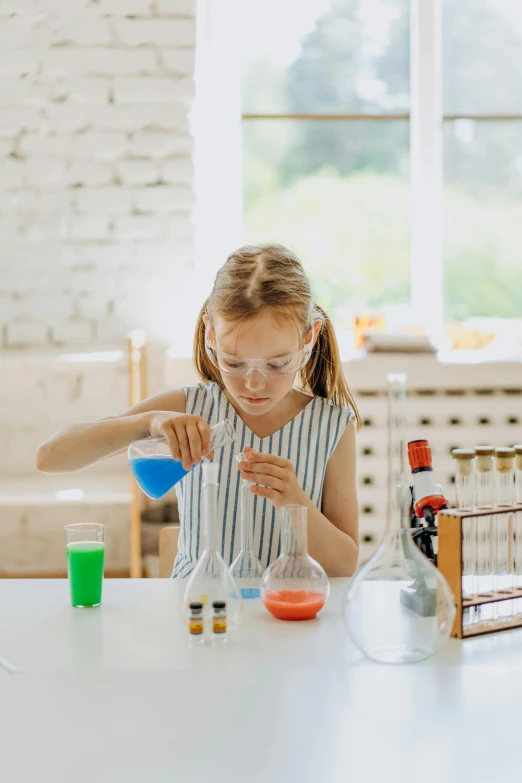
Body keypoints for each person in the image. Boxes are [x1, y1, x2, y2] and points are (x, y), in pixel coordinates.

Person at [37, 244, 360, 577]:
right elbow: (50, 457)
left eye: (278, 364)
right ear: (210, 334)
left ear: (309, 339)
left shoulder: (331, 426)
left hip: (289, 621)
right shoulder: (190, 407)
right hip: (197, 615)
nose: (252, 384)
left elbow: (345, 565)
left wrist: (294, 501)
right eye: (233, 362)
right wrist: (149, 422)